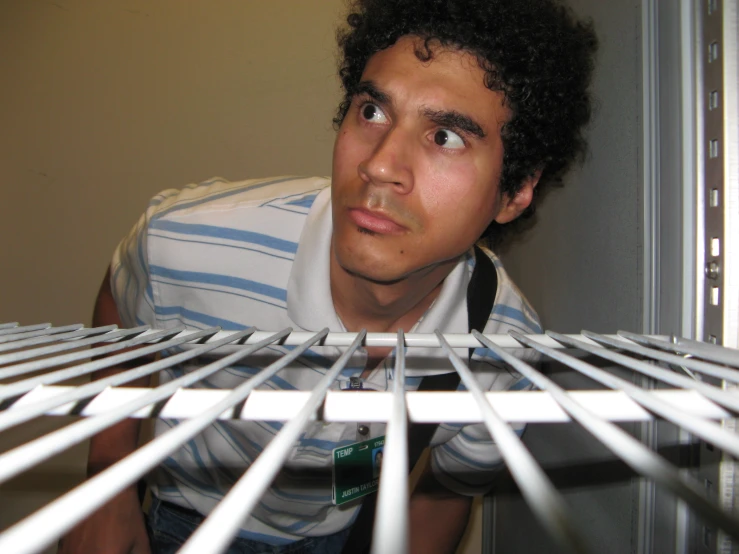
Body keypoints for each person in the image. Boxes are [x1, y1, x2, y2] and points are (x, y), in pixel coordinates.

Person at [59, 0, 597, 552]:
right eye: (372, 112)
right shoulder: (190, 240)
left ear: (514, 192)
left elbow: (445, 491)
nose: (381, 165)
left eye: (446, 137)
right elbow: (120, 308)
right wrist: (107, 478)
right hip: (187, 520)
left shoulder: (506, 352)